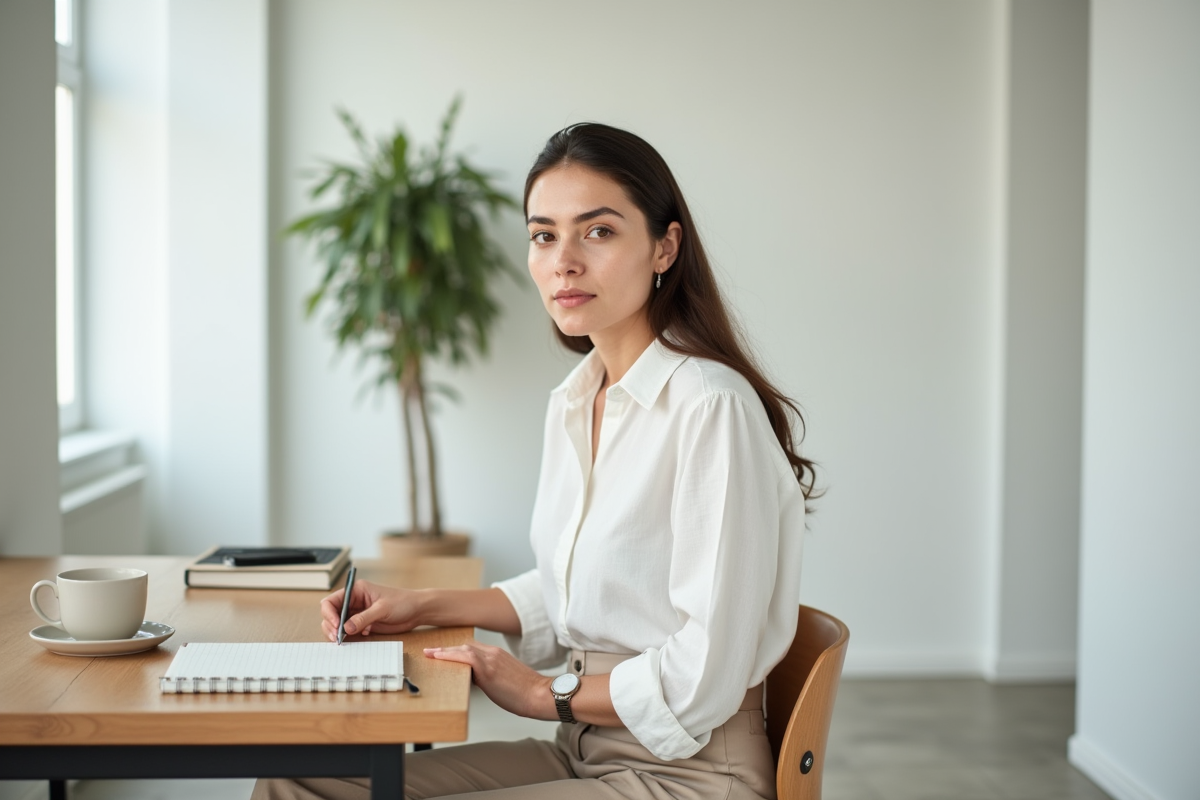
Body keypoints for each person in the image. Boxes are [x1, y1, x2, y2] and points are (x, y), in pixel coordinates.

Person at [253, 122, 817, 800]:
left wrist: (543, 691)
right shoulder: (577, 400)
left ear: (665, 247)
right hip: (583, 753)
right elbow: (576, 591)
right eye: (544, 234)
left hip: (685, 774)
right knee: (298, 781)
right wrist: (421, 604)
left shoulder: (709, 407)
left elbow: (706, 670)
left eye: (599, 232)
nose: (564, 260)